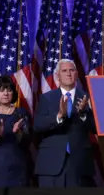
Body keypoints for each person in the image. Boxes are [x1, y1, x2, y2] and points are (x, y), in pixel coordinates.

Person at [34, 59, 96, 187]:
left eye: (71, 70)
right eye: (64, 71)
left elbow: (97, 128)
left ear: (77, 74)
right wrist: (59, 116)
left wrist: (83, 114)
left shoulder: (88, 97)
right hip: (51, 164)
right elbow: (37, 126)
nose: (68, 74)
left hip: (79, 164)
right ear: (57, 76)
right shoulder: (46, 98)